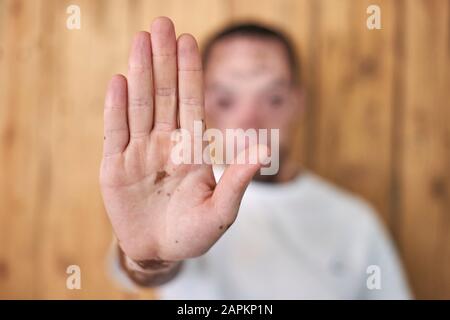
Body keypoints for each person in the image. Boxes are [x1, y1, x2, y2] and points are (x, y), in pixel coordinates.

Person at [100, 16, 411, 299]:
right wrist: (153, 258)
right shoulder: (174, 198)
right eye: (226, 100)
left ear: (296, 103)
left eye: (272, 98)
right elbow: (143, 273)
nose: (250, 120)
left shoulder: (354, 223)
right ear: (204, 105)